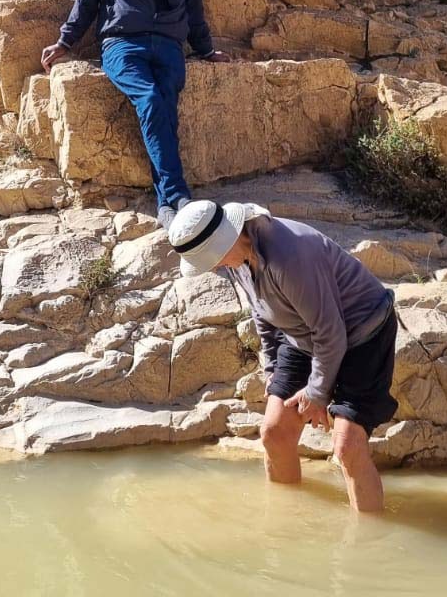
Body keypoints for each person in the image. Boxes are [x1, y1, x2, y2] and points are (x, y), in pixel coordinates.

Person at [167, 199, 397, 513]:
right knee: (274, 433)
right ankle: (286, 521)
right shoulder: (240, 257)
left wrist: (318, 393)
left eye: (212, 258)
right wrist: (273, 365)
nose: (215, 266)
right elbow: (263, 311)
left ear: (229, 238)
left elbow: (331, 332)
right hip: (304, 336)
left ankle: (369, 545)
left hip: (362, 333)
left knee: (347, 448)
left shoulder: (289, 257)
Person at [41, 0, 229, 227]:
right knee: (152, 99)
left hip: (169, 43)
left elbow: (193, 4)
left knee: (166, 103)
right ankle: (179, 195)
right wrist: (66, 41)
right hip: (122, 43)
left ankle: (167, 207)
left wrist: (205, 49)